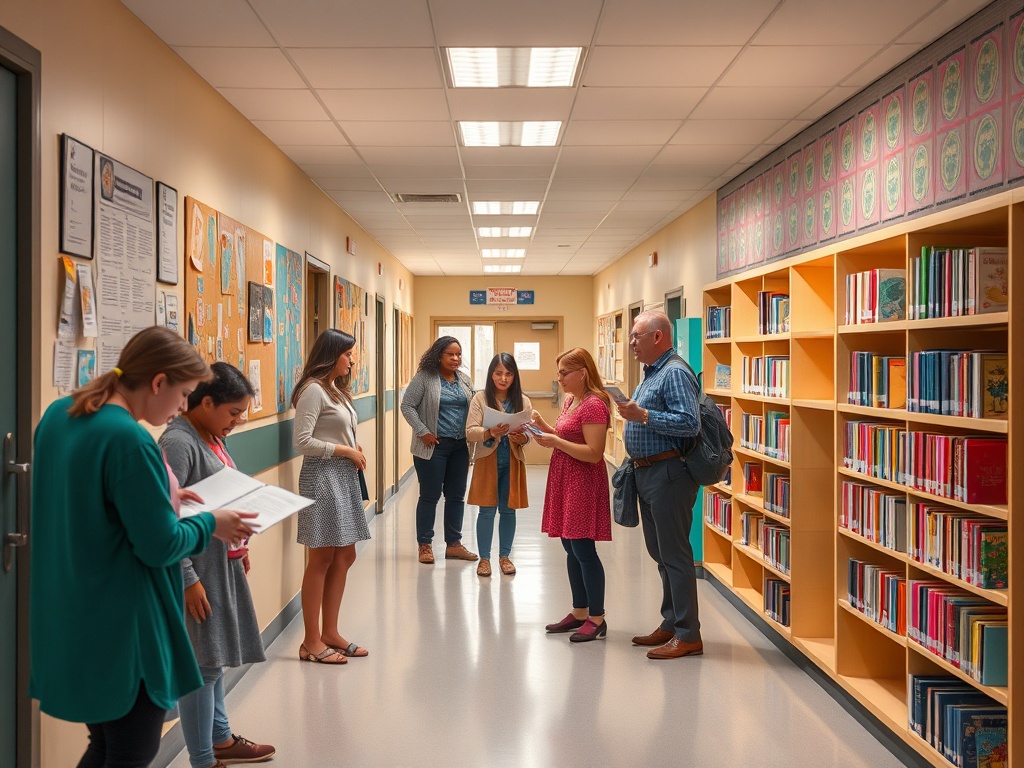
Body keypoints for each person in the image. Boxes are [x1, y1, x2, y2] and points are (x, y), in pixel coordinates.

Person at [29, 326, 254, 768]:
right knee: (132, 750)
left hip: (71, 608)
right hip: (122, 622)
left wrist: (164, 493)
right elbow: (161, 546)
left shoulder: (60, 415)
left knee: (105, 744)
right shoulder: (129, 439)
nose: (182, 407)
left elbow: (92, 500)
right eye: (184, 394)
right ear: (158, 383)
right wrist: (212, 523)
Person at [159, 362, 275, 767]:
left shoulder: (209, 435)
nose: (238, 421)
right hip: (195, 571)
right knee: (202, 667)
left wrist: (240, 549)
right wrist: (187, 579)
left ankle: (221, 738)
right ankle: (204, 759)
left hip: (220, 562)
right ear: (205, 402)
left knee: (215, 658)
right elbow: (167, 517)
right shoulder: (179, 441)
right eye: (233, 412)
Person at [617, 311, 703, 660]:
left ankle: (688, 634)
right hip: (647, 474)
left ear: (657, 337)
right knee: (661, 556)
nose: (632, 342)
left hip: (669, 475)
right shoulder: (652, 373)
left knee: (676, 556)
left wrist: (644, 416)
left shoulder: (675, 373)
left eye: (637, 336)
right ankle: (670, 622)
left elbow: (689, 423)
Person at [291, 329, 372, 665]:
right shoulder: (312, 390)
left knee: (346, 554)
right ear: (332, 354)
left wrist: (351, 448)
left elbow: (336, 430)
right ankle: (310, 641)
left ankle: (331, 632)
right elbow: (302, 441)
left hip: (343, 476)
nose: (352, 361)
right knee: (321, 558)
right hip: (321, 477)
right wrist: (343, 449)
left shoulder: (336, 390)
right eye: (348, 354)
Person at [532, 347, 612, 643]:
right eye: (559, 373)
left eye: (565, 373)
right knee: (569, 545)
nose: (560, 378)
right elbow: (566, 436)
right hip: (565, 478)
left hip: (583, 480)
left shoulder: (594, 405)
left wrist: (555, 441)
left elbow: (593, 453)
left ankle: (597, 617)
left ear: (583, 373)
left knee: (582, 548)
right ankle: (579, 611)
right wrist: (544, 428)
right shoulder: (570, 400)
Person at [400, 336, 478, 564]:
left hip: (460, 446)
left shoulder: (463, 380)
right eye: (450, 354)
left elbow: (474, 406)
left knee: (456, 496)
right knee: (430, 496)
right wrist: (422, 430)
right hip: (432, 446)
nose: (455, 359)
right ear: (438, 355)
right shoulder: (425, 378)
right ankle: (424, 544)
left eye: (458, 354)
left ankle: (454, 544)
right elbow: (407, 406)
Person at [465, 353, 532, 577]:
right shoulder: (480, 399)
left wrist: (523, 438)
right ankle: (484, 559)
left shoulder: (522, 401)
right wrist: (490, 432)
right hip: (487, 460)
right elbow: (470, 431)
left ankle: (505, 557)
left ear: (514, 376)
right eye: (498, 373)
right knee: (486, 511)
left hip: (512, 460)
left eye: (508, 374)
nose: (503, 378)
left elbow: (530, 433)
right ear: (491, 374)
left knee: (508, 510)